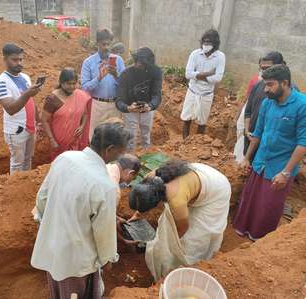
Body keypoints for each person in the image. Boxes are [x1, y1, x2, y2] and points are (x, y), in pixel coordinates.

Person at [31, 123, 131, 299]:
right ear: (110, 149)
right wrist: (108, 258)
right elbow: (104, 232)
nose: (120, 156)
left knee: (58, 290)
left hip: (52, 243)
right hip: (75, 260)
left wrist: (50, 224)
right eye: (120, 152)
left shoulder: (65, 158)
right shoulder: (104, 185)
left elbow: (42, 198)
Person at [234, 64, 306, 241]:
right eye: (265, 84)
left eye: (270, 85)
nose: (266, 89)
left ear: (285, 83)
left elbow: (302, 144)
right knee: (249, 200)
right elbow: (257, 134)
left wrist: (286, 172)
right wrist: (247, 158)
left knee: (268, 206)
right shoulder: (267, 103)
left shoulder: (302, 105)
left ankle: (260, 241)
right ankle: (242, 231)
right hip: (260, 162)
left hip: (280, 167)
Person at [129, 159, 231, 281]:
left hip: (216, 190)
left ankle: (188, 269)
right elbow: (142, 198)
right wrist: (137, 214)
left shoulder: (176, 200)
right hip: (197, 176)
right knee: (168, 228)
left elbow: (183, 228)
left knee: (194, 240)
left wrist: (169, 246)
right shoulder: (150, 179)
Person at [0, 43, 42, 174]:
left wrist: (39, 120)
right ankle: (14, 189)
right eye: (15, 60)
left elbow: (31, 101)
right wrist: (27, 93)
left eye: (21, 59)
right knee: (17, 163)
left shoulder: (25, 77)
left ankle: (24, 187)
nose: (19, 63)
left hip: (30, 127)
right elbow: (10, 109)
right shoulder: (2, 82)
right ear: (5, 60)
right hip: (16, 130)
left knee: (28, 160)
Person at [243, 51, 299, 155]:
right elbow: (248, 111)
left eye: (267, 68)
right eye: (262, 68)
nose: (264, 71)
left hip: (274, 151)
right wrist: (247, 130)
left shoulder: (291, 93)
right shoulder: (258, 85)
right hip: (252, 141)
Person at [181, 29, 226, 139]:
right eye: (204, 42)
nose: (206, 45)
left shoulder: (220, 57)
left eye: (209, 43)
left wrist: (197, 76)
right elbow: (187, 74)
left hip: (206, 94)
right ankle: (184, 142)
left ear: (215, 44)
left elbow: (218, 77)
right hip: (192, 91)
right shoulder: (195, 54)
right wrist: (208, 74)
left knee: (202, 122)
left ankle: (198, 143)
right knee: (186, 119)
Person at [115, 47, 163, 150]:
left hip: (147, 108)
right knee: (130, 138)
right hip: (130, 108)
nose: (138, 65)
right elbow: (119, 99)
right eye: (137, 61)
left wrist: (150, 106)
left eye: (141, 63)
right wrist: (128, 108)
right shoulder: (126, 74)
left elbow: (157, 95)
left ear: (149, 64)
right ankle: (129, 160)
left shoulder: (156, 72)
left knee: (146, 136)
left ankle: (146, 156)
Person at [81, 29, 125, 139]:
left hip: (115, 105)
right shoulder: (88, 62)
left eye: (108, 44)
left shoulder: (118, 60)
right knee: (97, 138)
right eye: (103, 44)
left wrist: (116, 75)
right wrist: (98, 78)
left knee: (115, 139)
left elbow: (126, 85)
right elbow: (85, 87)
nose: (106, 47)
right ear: (97, 44)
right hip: (98, 105)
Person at [41, 68, 92, 161]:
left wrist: (82, 126)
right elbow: (43, 119)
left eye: (74, 83)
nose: (72, 87)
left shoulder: (80, 95)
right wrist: (52, 140)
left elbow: (85, 113)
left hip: (74, 141)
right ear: (61, 82)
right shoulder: (53, 99)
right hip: (58, 142)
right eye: (68, 84)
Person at [233, 57, 266, 163]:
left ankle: (244, 160)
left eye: (265, 68)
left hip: (256, 118)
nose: (262, 70)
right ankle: (238, 159)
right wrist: (237, 116)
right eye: (261, 68)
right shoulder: (255, 81)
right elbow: (246, 99)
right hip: (248, 112)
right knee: (241, 134)